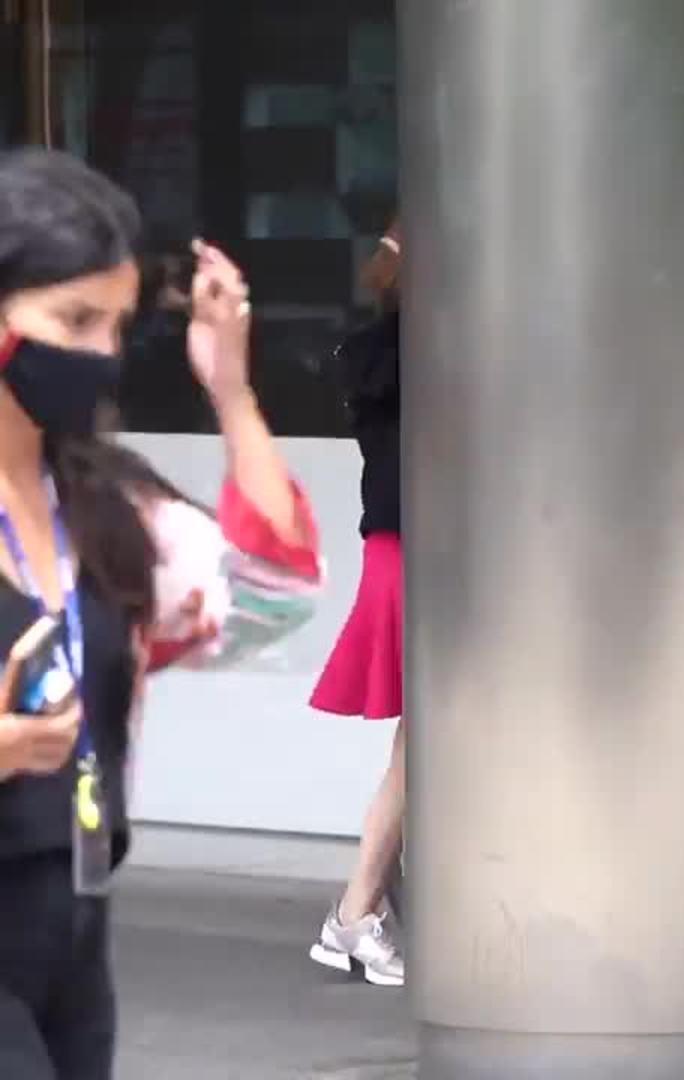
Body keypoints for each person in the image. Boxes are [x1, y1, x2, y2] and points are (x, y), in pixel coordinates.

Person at [0, 148, 322, 1078]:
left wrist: (231, 391)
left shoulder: (104, 506)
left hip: (73, 930)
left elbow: (270, 597)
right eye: (74, 320)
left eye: (117, 325)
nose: (100, 353)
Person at [306, 220, 406, 987]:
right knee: (425, 746)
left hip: (396, 552)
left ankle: (364, 908)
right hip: (423, 557)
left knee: (426, 741)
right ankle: (355, 911)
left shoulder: (374, 354)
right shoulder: (428, 359)